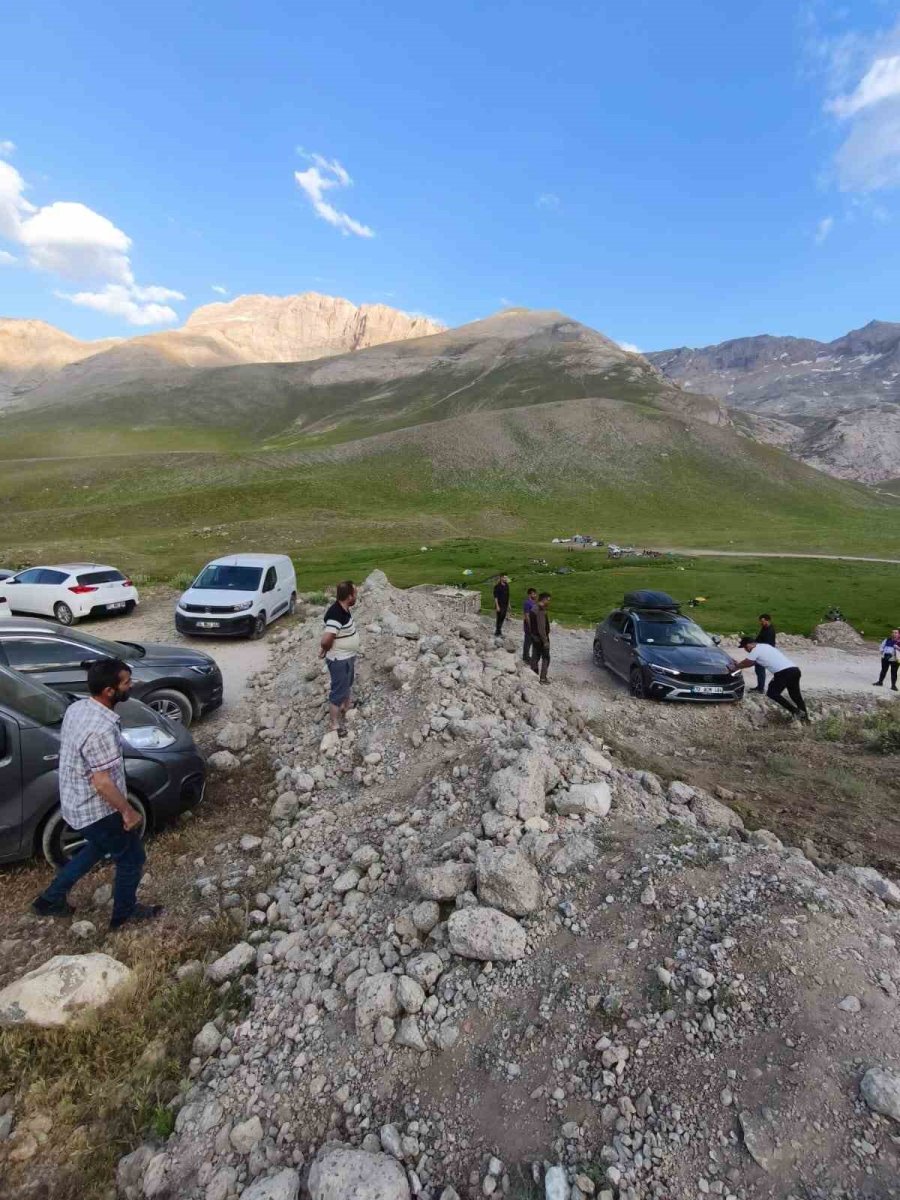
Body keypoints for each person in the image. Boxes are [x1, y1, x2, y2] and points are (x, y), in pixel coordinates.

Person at [31, 659, 163, 930]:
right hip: (97, 810)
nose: (132, 685)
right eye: (126, 682)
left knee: (96, 849)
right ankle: (123, 915)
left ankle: (49, 900)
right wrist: (127, 811)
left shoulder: (79, 707)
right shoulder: (101, 730)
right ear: (109, 691)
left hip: (74, 802)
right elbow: (102, 782)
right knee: (132, 857)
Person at [732, 635, 809, 722]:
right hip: (794, 670)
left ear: (750, 644)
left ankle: (795, 711)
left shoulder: (755, 649)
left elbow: (748, 662)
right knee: (795, 695)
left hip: (783, 672)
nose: (746, 650)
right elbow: (753, 663)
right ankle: (805, 718)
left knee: (772, 693)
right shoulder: (765, 646)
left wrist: (736, 666)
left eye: (745, 647)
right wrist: (739, 665)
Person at [319, 580, 360, 733]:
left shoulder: (344, 609)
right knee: (338, 690)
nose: (356, 596)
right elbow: (326, 639)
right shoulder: (336, 614)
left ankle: (346, 706)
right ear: (349, 596)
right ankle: (334, 724)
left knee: (347, 683)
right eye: (354, 594)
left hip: (347, 656)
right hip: (339, 659)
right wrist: (324, 649)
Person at [528, 592, 552, 683]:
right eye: (548, 600)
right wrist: (545, 641)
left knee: (535, 656)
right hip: (541, 639)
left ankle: (532, 675)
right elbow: (541, 628)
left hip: (534, 637)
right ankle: (543, 678)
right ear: (544, 599)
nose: (549, 602)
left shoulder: (533, 608)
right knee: (546, 658)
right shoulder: (540, 610)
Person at [752, 613, 777, 694]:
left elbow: (767, 644)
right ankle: (759, 686)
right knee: (758, 670)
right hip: (761, 650)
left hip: (764, 652)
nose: (761, 623)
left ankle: (760, 688)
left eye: (762, 621)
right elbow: (760, 638)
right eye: (760, 621)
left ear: (767, 620)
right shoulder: (765, 628)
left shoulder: (770, 631)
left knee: (760, 670)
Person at [522, 587, 538, 663]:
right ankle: (525, 656)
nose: (535, 595)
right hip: (529, 626)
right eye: (533, 593)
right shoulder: (527, 603)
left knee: (532, 641)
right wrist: (530, 625)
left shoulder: (534, 603)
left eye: (535, 593)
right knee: (527, 641)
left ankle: (528, 656)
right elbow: (527, 615)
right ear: (529, 594)